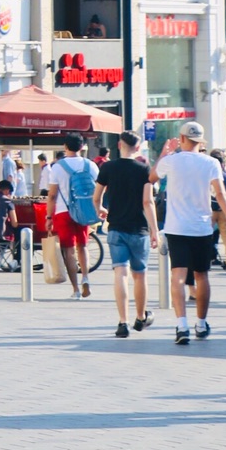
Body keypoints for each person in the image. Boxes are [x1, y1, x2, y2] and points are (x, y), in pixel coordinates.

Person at [153, 121, 226, 345]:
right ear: (200, 142)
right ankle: (201, 323)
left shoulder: (171, 161)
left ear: (182, 139)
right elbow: (221, 194)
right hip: (202, 227)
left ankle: (181, 325)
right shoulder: (211, 162)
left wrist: (165, 152)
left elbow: (152, 177)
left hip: (177, 227)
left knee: (178, 276)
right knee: (202, 275)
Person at [95, 131, 158, 338]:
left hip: (116, 228)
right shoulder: (143, 169)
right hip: (139, 228)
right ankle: (140, 317)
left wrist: (100, 211)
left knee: (120, 273)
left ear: (119, 144)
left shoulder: (108, 167)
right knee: (140, 275)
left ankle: (123, 322)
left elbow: (96, 196)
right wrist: (154, 230)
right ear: (137, 148)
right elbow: (148, 202)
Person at [48, 134, 99, 300]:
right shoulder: (90, 165)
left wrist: (49, 217)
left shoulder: (57, 167)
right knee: (83, 246)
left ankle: (76, 289)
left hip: (63, 212)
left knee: (68, 250)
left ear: (65, 146)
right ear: (82, 146)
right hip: (84, 209)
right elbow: (98, 189)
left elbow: (52, 196)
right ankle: (86, 278)